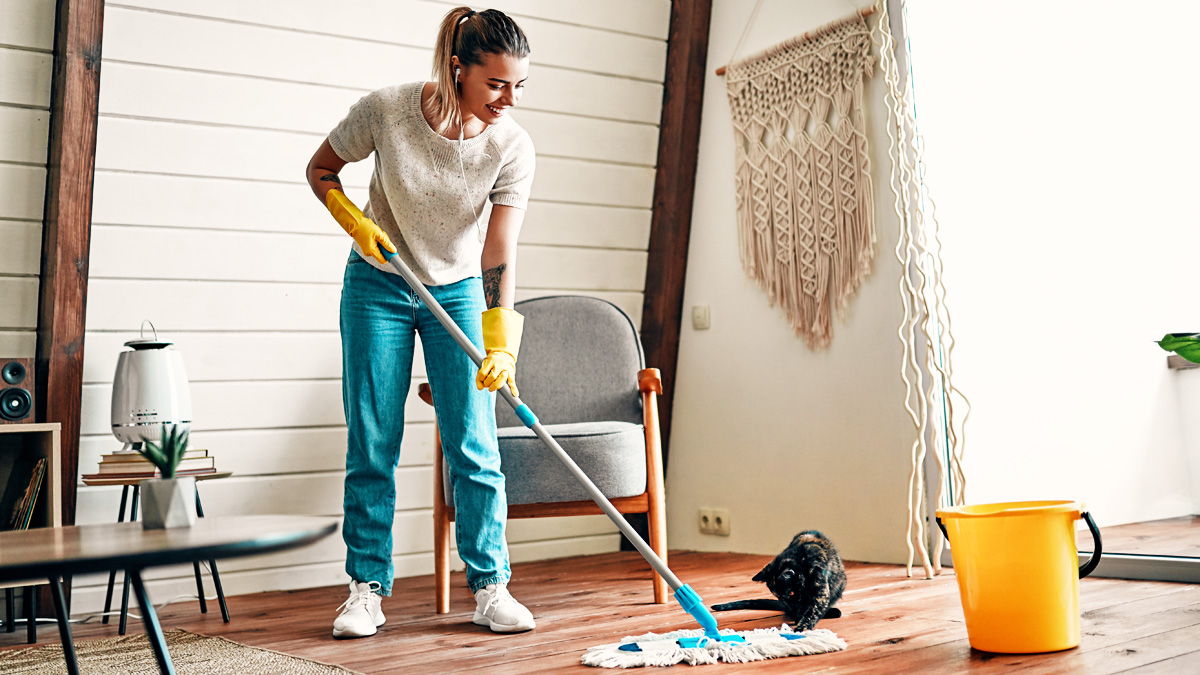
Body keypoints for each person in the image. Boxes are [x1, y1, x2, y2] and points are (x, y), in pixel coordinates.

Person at [304, 6, 535, 639]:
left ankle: (491, 588)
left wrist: (500, 340)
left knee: (475, 445)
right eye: (496, 84)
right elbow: (320, 170)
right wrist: (353, 219)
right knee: (373, 440)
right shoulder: (387, 110)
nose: (508, 100)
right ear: (457, 68)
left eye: (519, 86)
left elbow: (499, 251)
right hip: (377, 284)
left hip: (458, 290)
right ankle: (366, 589)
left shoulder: (511, 146)